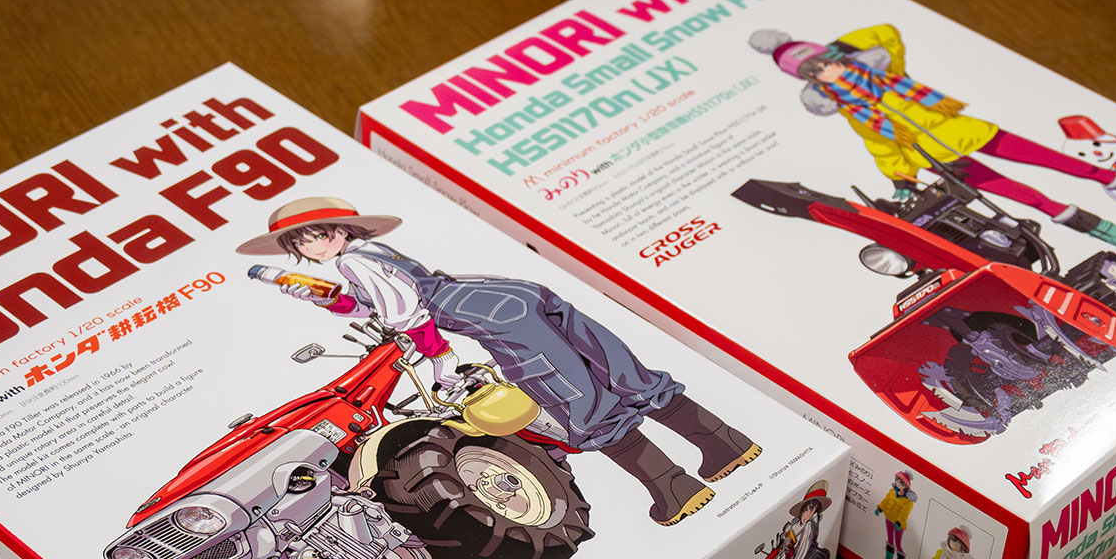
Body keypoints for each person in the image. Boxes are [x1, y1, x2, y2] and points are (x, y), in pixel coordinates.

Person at [238, 199, 761, 525]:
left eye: (320, 233)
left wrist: (441, 363)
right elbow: (370, 300)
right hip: (506, 294)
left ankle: (674, 489)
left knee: (576, 400)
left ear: (343, 230)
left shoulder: (354, 262)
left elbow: (405, 312)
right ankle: (727, 444)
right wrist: (322, 297)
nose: (314, 244)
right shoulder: (372, 255)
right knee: (618, 370)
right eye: (300, 241)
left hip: (487, 317)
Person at [751, 25, 1116, 279]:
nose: (826, 71)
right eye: (814, 72)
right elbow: (882, 145)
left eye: (826, 61)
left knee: (1073, 165)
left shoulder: (886, 73)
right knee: (1041, 203)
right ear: (809, 82)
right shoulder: (855, 111)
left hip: (977, 133)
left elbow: (887, 33)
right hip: (951, 164)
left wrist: (844, 46)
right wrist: (901, 180)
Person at [874, 470, 918, 559]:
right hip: (889, 519)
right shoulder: (892, 492)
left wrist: (899, 522)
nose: (899, 483)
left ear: (906, 486)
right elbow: (885, 501)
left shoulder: (908, 501)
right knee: (890, 540)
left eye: (902, 483)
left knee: (898, 544)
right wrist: (880, 508)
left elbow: (904, 513)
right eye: (898, 480)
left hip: (898, 525)